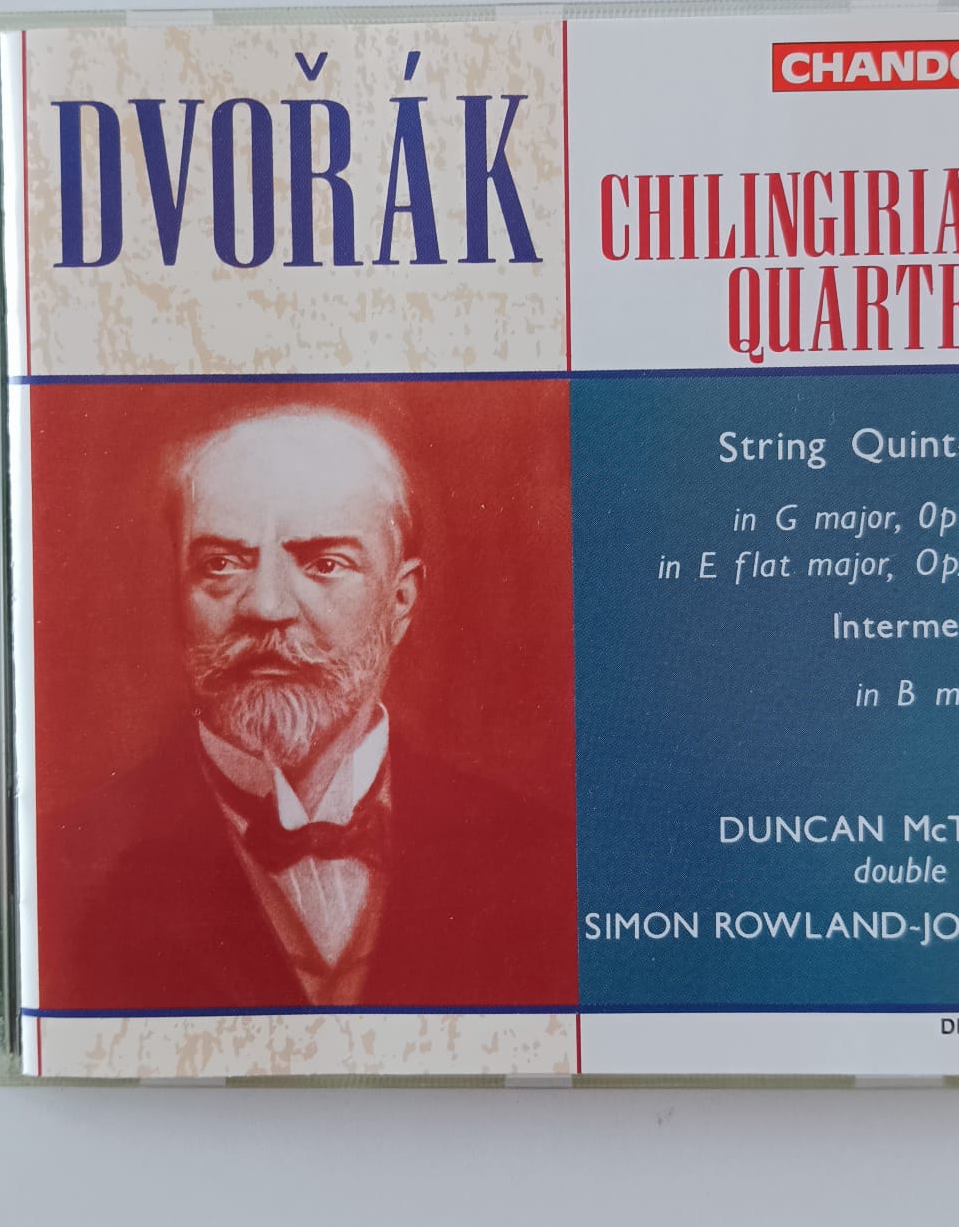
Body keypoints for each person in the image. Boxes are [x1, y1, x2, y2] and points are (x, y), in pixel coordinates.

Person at [44, 405, 576, 1012]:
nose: (266, 607)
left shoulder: (540, 860)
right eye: (221, 564)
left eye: (325, 564)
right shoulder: (67, 864)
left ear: (400, 601)